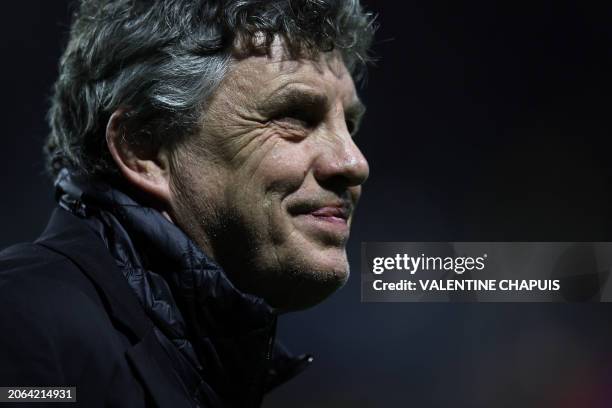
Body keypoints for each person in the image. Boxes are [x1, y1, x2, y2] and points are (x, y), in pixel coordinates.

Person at [0, 0, 375, 406]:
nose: (354, 163)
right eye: (295, 116)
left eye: (349, 125)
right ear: (143, 146)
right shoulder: (19, 322)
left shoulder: (199, 365)